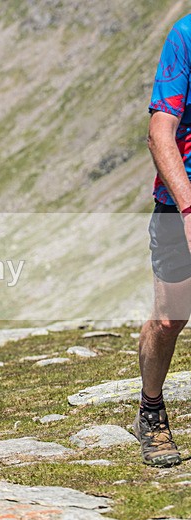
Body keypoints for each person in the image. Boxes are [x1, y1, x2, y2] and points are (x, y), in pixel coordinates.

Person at [135, 14, 191, 467]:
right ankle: (151, 409)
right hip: (180, 203)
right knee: (170, 320)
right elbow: (159, 133)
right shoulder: (185, 36)